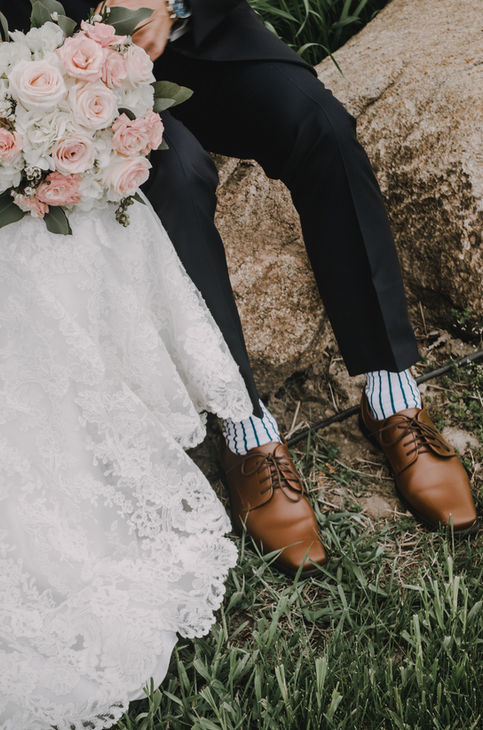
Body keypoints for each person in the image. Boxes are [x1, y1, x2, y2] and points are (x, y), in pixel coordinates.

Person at [3, 1, 478, 586]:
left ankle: (392, 395)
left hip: (197, 35)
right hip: (67, 72)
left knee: (322, 126)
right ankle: (247, 433)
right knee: (178, 180)